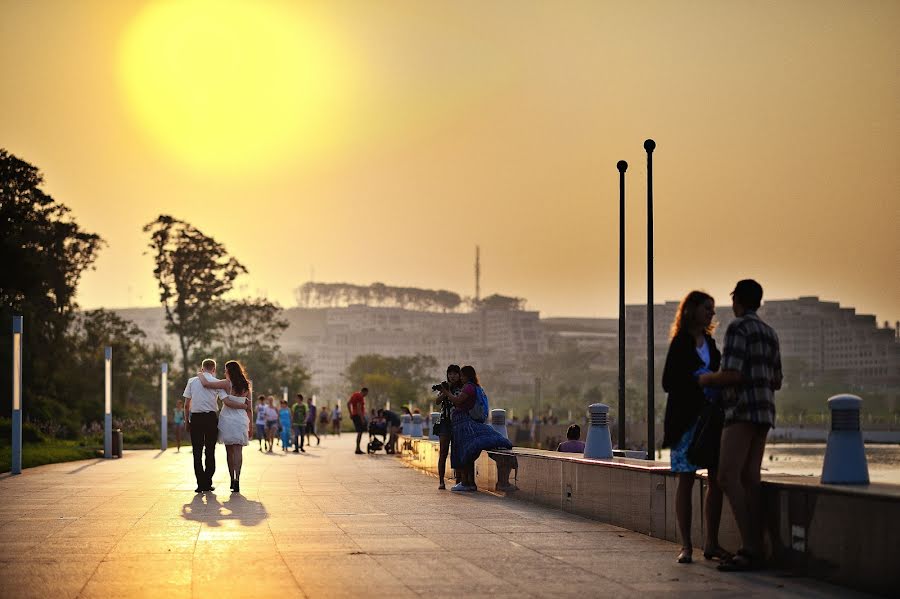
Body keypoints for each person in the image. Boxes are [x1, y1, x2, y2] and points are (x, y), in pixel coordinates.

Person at [698, 279, 782, 572]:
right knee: (750, 479)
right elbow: (777, 381)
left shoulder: (738, 328)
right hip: (765, 412)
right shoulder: (769, 333)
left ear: (737, 300)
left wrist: (705, 379)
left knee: (726, 477)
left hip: (742, 410)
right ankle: (762, 546)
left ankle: (751, 547)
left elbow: (732, 374)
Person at [661, 290, 729, 565]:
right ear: (692, 310)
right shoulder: (680, 344)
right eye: (707, 308)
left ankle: (711, 542)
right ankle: (687, 545)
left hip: (711, 421)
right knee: (685, 481)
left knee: (716, 480)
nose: (711, 314)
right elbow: (668, 383)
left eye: (713, 310)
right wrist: (699, 382)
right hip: (685, 423)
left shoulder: (711, 344)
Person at [440, 365, 511, 492]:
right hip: (465, 423)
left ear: (467, 376)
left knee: (465, 453)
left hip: (464, 424)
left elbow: (457, 401)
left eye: (461, 375)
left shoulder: (468, 387)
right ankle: (468, 482)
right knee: (468, 452)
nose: (460, 378)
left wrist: (446, 392)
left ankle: (467, 483)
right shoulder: (477, 387)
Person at [198, 360, 253, 493]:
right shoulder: (247, 385)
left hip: (227, 419)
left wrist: (200, 374)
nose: (224, 372)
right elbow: (249, 408)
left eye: (225, 370)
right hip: (241, 419)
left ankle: (231, 479)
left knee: (230, 452)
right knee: (239, 451)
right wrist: (251, 426)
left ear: (229, 371)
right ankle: (238, 480)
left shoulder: (226, 383)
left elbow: (206, 384)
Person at [182, 359, 227, 492]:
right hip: (211, 419)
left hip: (196, 419)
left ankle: (200, 484)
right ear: (213, 369)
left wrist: (187, 421)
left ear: (202, 368)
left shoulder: (192, 381)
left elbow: (186, 405)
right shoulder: (217, 382)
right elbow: (225, 400)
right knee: (210, 450)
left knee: (197, 452)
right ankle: (207, 481)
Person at [435, 365, 461, 489]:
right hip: (445, 422)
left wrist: (449, 393)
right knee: (443, 452)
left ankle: (459, 480)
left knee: (458, 451)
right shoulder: (444, 386)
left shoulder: (463, 387)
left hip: (458, 422)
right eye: (450, 374)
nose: (453, 376)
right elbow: (437, 401)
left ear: (459, 375)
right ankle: (441, 481)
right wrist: (446, 391)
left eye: (455, 374)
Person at [347, 387, 368, 454]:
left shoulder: (354, 394)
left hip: (354, 415)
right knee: (360, 432)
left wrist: (350, 413)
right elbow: (359, 408)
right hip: (358, 416)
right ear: (364, 391)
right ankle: (357, 449)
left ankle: (358, 448)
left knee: (359, 432)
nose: (365, 395)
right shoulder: (360, 396)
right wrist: (362, 419)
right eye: (366, 394)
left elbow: (348, 403)